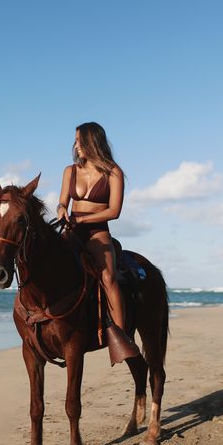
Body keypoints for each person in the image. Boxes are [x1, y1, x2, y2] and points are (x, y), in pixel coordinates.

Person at [56, 122, 140, 364]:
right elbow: (62, 202)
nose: (76, 146)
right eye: (75, 141)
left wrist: (83, 219)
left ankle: (121, 338)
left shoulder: (114, 172)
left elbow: (114, 211)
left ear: (93, 142)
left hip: (97, 232)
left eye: (80, 141)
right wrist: (62, 210)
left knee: (108, 277)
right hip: (72, 229)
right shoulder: (69, 171)